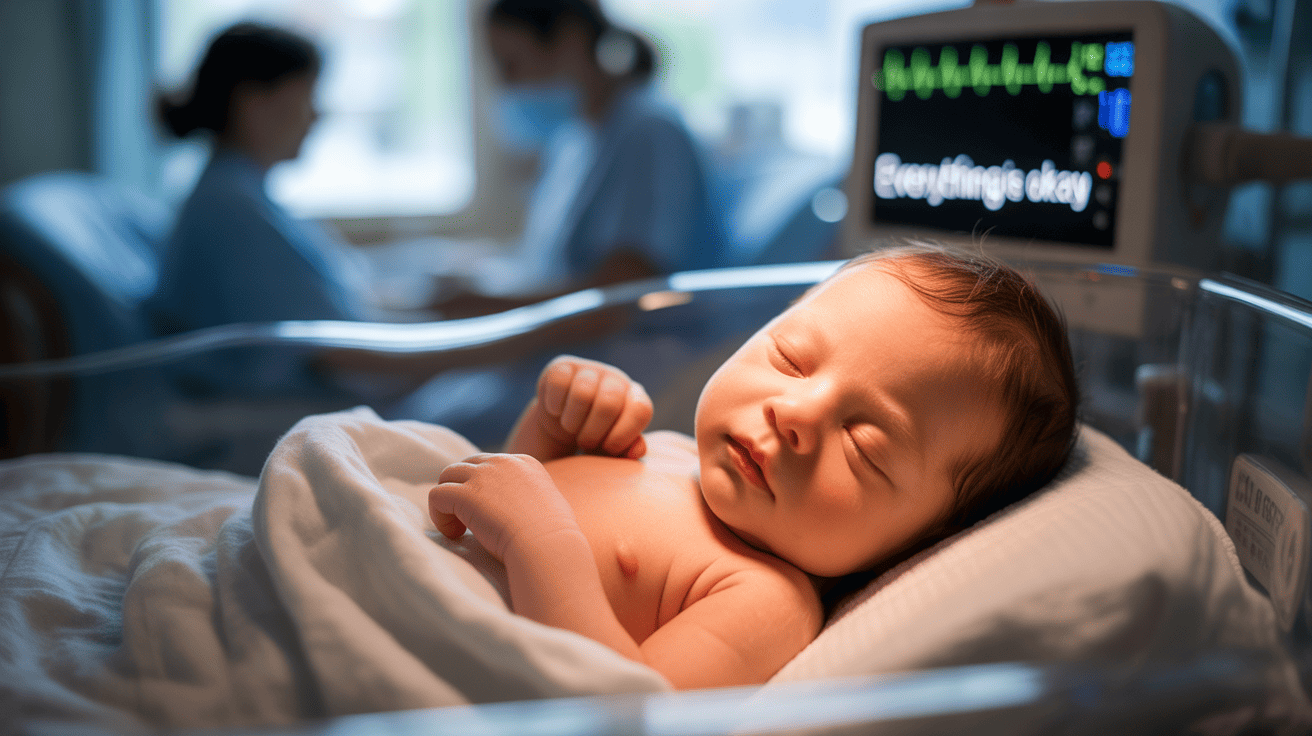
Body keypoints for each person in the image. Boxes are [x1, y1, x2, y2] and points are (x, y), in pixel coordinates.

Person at [427, 243, 1080, 688]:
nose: (795, 413)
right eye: (791, 357)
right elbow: (500, 492)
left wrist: (540, 541)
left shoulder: (765, 599)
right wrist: (554, 425)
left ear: (922, 542)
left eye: (865, 445)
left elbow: (628, 708)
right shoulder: (673, 448)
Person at [427, 0, 726, 316]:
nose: (505, 85)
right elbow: (552, 268)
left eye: (510, 64)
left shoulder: (649, 133)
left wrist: (485, 308)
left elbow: (623, 297)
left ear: (571, 42)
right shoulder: (576, 140)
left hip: (646, 353)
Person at [148, 22, 394, 333]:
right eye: (307, 95)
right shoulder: (231, 209)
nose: (316, 116)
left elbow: (334, 309)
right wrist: (472, 344)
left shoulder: (235, 194)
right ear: (253, 105)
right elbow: (342, 356)